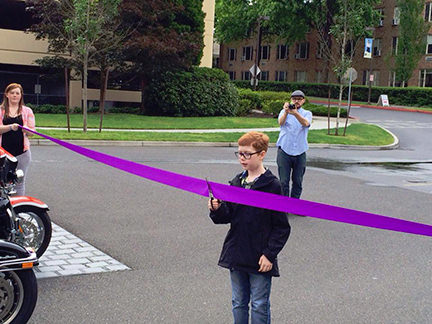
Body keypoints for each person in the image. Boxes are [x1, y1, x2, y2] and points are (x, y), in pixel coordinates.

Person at [208, 131, 290, 324]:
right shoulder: (237, 182)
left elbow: (282, 227)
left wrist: (269, 254)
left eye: (247, 154)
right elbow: (227, 216)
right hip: (236, 252)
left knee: (260, 304)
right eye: (239, 153)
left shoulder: (272, 186)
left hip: (260, 256)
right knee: (238, 302)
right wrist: (217, 209)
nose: (242, 158)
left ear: (261, 154)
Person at [276, 90, 312, 200]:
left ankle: (295, 205)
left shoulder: (307, 113)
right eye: (294, 99)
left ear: (303, 101)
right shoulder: (284, 112)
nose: (296, 101)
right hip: (284, 150)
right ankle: (284, 205)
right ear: (291, 100)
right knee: (283, 181)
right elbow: (280, 122)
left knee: (297, 180)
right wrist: (287, 111)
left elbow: (306, 123)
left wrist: (295, 113)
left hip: (300, 151)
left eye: (299, 99)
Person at [0, 83, 36, 196]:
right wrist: (11, 127)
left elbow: (32, 132)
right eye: (12, 93)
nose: (15, 95)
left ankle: (18, 207)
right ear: (7, 95)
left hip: (22, 153)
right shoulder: (1, 110)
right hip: (3, 153)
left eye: (17, 93)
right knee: (3, 182)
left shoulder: (27, 111)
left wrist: (25, 129)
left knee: (19, 182)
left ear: (21, 95)